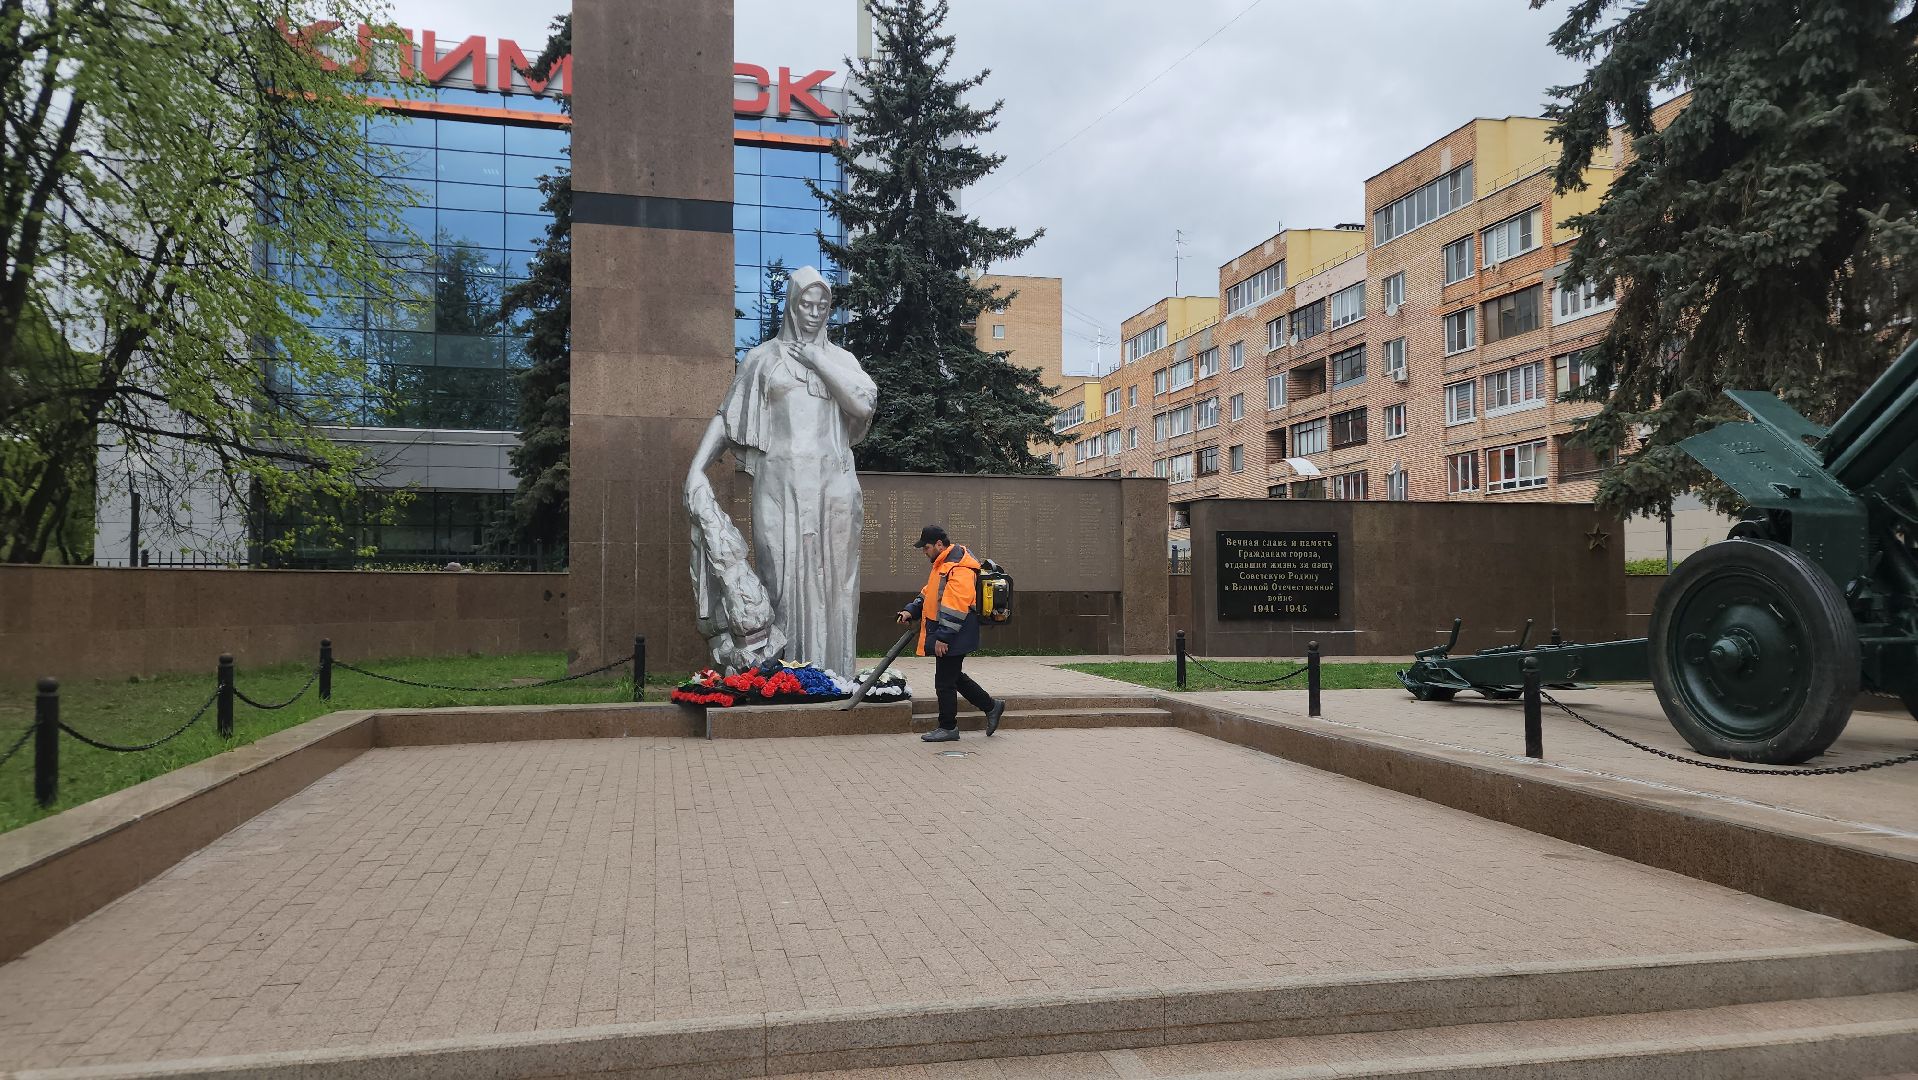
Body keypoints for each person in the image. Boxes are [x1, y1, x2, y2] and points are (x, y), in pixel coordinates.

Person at [685, 266, 877, 676]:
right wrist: (696, 469)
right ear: (791, 306)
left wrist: (818, 362)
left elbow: (863, 407)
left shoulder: (842, 360)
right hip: (779, 483)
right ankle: (784, 678)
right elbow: (726, 417)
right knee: (781, 581)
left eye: (823, 305)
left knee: (835, 586)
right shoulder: (762, 359)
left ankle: (833, 674)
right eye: (806, 304)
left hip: (834, 486)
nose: (814, 312)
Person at [897, 525, 1006, 742]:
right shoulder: (943, 564)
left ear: (939, 544)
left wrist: (943, 636)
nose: (924, 552)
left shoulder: (960, 567)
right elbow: (930, 593)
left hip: (955, 633)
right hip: (952, 632)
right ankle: (992, 706)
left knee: (944, 682)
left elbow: (957, 604)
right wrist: (911, 609)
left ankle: (948, 727)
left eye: (926, 547)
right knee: (954, 678)